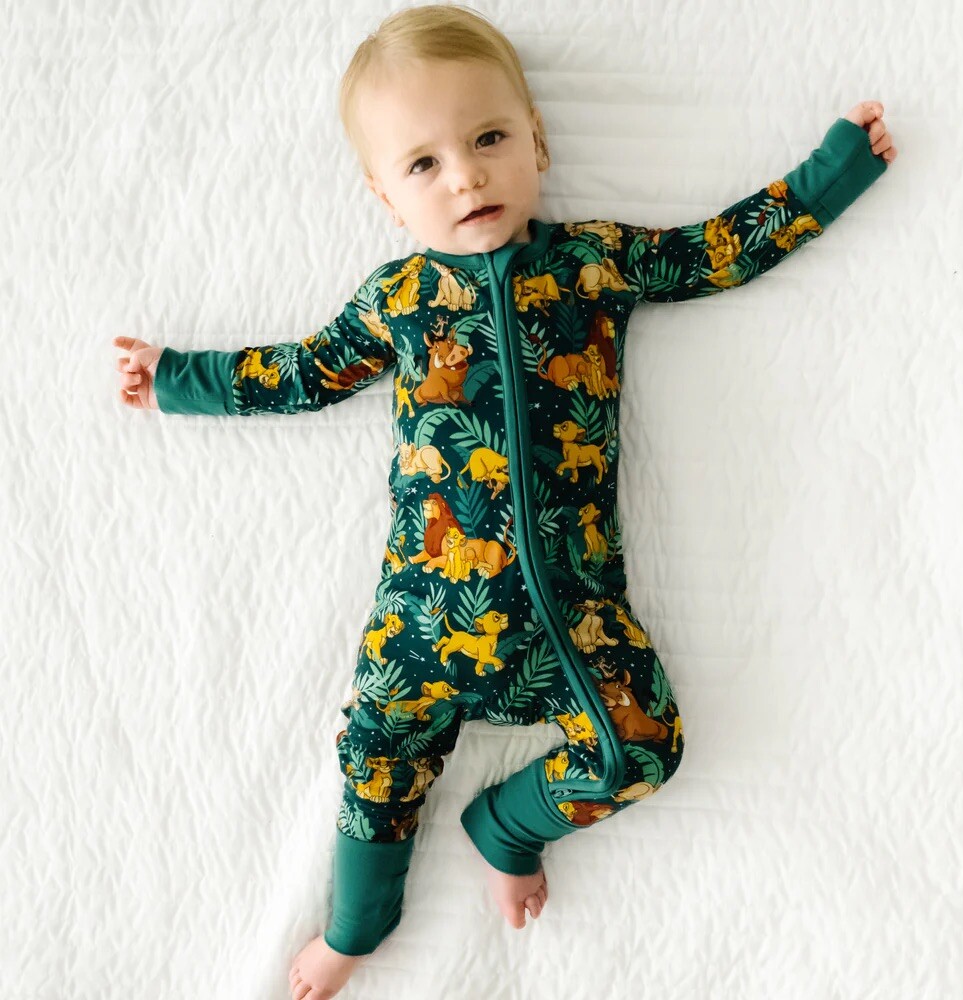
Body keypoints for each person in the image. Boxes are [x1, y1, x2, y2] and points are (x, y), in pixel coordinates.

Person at [112, 5, 896, 998]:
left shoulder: (591, 262)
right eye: (424, 163)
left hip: (571, 622)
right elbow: (302, 372)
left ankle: (507, 825)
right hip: (422, 625)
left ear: (538, 142)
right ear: (384, 195)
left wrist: (832, 174)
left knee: (645, 749)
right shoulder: (396, 300)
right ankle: (356, 926)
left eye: (488, 140)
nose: (466, 177)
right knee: (373, 762)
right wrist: (175, 378)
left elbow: (709, 252)